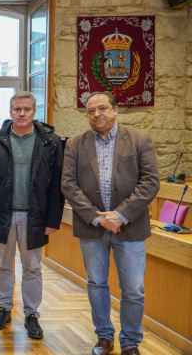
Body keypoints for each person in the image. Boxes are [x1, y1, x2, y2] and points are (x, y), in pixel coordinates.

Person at [62, 92, 159, 355]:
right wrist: (97, 216)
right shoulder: (75, 144)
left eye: (102, 108)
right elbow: (68, 185)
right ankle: (104, 337)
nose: (97, 114)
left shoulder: (139, 140)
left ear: (115, 110)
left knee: (134, 289)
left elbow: (150, 182)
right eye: (91, 111)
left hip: (131, 227)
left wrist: (120, 215)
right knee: (96, 284)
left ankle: (130, 342)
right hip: (92, 228)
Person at [0, 91, 64, 339]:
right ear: (10, 111)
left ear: (34, 111)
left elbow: (57, 184)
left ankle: (31, 314)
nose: (21, 113)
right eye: (17, 109)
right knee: (2, 265)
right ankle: (4, 308)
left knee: (32, 267)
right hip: (3, 214)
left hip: (35, 216)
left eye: (26, 109)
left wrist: (53, 219)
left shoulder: (49, 142)